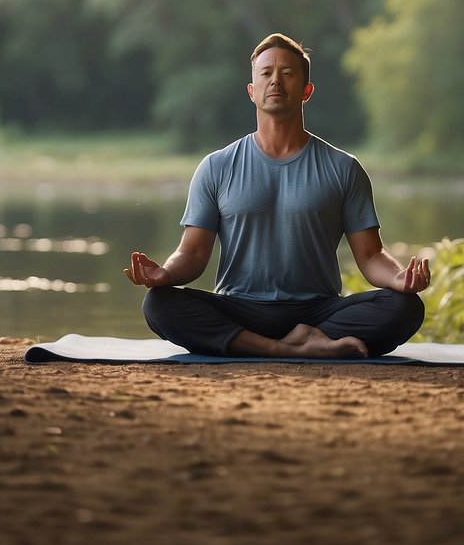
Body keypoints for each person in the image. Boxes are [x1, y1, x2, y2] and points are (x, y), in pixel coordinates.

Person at [122, 33, 430, 359]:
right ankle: (290, 348)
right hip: (240, 307)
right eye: (266, 74)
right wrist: (165, 274)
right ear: (252, 91)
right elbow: (194, 254)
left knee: (404, 306)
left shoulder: (344, 168)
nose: (276, 82)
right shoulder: (216, 167)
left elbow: (370, 257)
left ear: (306, 91)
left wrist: (398, 278)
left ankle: (292, 339)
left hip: (318, 311)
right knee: (159, 303)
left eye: (288, 74)